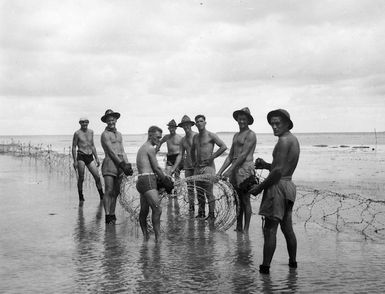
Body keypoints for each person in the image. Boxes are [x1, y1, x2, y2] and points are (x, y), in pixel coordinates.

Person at [249, 109, 300, 274]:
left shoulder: (283, 142)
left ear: (287, 123)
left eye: (278, 123)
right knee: (287, 228)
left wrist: (258, 188)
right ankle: (293, 265)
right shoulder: (293, 140)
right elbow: (283, 170)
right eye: (272, 123)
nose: (274, 126)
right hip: (289, 186)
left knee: (270, 229)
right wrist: (265, 165)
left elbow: (277, 173)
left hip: (277, 187)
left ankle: (265, 269)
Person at [217, 107, 257, 233]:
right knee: (237, 199)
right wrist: (220, 171)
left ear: (248, 120)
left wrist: (229, 171)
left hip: (245, 169)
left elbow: (243, 155)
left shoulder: (251, 135)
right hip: (235, 169)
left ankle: (246, 228)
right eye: (240, 119)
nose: (241, 121)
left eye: (244, 119)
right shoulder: (236, 135)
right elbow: (230, 156)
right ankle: (239, 226)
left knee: (245, 199)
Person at [136, 126, 174, 241]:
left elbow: (150, 167)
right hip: (148, 180)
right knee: (157, 209)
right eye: (157, 137)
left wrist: (161, 177)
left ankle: (146, 237)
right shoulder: (150, 148)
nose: (159, 140)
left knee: (144, 210)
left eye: (160, 138)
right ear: (150, 135)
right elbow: (156, 168)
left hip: (141, 181)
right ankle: (158, 238)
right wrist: (165, 181)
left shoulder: (143, 147)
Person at [191, 114, 227, 220]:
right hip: (198, 168)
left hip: (208, 167)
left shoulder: (211, 135)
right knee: (199, 192)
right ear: (195, 124)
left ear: (205, 123)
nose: (199, 123)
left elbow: (223, 146)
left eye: (201, 121)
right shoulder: (195, 137)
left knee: (209, 192)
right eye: (197, 122)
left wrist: (212, 157)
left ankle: (211, 215)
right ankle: (201, 213)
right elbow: (192, 150)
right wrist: (193, 161)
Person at [100, 109, 133, 225]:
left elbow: (122, 151)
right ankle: (107, 215)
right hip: (110, 164)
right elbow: (111, 151)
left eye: (113, 119)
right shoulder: (105, 134)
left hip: (120, 165)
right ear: (106, 121)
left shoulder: (119, 134)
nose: (111, 121)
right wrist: (122, 164)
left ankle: (112, 214)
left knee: (116, 192)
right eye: (109, 120)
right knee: (108, 190)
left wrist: (127, 164)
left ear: (116, 120)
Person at [72, 117, 104, 203]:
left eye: (86, 122)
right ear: (80, 123)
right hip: (81, 156)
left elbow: (92, 145)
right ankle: (80, 195)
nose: (84, 124)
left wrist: (96, 158)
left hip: (90, 156)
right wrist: (75, 161)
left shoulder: (91, 132)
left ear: (88, 122)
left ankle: (102, 195)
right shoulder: (77, 133)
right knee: (81, 178)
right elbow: (74, 146)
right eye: (82, 122)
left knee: (97, 177)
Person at [170, 115, 198, 211]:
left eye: (187, 125)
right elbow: (180, 155)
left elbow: (203, 150)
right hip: (188, 166)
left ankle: (201, 211)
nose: (186, 127)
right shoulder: (183, 140)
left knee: (199, 189)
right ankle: (191, 207)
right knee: (190, 188)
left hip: (197, 166)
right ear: (182, 127)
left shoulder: (197, 136)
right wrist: (173, 168)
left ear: (191, 125)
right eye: (184, 125)